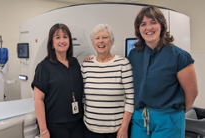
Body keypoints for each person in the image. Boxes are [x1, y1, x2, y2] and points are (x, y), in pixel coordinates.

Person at [128, 5, 198, 138]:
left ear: (162, 25)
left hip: (168, 120)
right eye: (143, 24)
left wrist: (173, 115)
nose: (148, 28)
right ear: (138, 29)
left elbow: (192, 93)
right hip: (140, 119)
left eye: (153, 22)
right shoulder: (133, 54)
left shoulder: (179, 56)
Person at [31, 23, 84, 138]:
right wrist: (43, 130)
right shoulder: (44, 67)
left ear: (69, 40)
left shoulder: (75, 63)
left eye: (65, 37)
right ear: (52, 43)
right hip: (55, 125)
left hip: (78, 122)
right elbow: (38, 100)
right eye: (57, 37)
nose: (62, 41)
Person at [81, 24, 134, 138]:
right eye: (97, 38)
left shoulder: (123, 64)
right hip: (90, 129)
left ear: (112, 42)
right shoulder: (86, 66)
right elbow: (83, 97)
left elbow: (131, 98)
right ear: (93, 43)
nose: (101, 41)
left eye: (105, 37)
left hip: (116, 130)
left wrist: (124, 128)